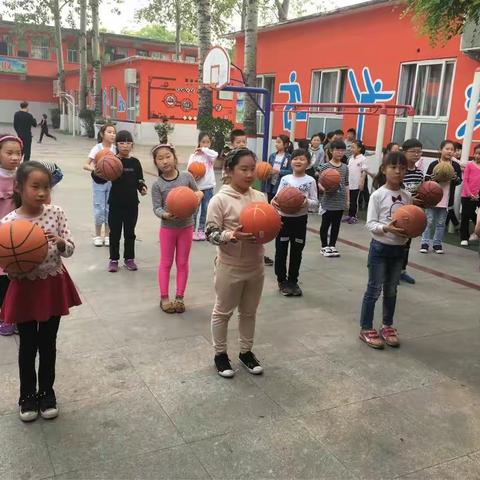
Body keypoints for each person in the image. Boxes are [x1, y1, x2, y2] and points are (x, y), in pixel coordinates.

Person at [0, 161, 81, 421]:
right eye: (35, 186)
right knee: (27, 345)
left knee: (48, 343)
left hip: (51, 284)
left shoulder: (55, 213)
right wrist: (13, 265)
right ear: (19, 187)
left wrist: (60, 243)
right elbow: (4, 263)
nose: (42, 193)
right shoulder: (9, 223)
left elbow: (70, 249)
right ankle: (27, 396)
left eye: (46, 187)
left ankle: (47, 392)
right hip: (24, 287)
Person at [205, 148, 266, 378]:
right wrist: (231, 235)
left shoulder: (259, 197)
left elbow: (265, 228)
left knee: (249, 312)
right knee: (222, 312)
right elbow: (210, 234)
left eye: (253, 169)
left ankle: (246, 352)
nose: (250, 174)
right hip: (229, 266)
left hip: (255, 266)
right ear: (230, 171)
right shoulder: (219, 200)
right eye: (244, 169)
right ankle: (220, 355)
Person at [358, 151, 411, 349]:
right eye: (393, 167)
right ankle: (366, 328)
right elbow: (370, 224)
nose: (398, 171)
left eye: (402, 168)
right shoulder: (378, 195)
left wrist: (412, 230)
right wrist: (386, 228)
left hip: (399, 250)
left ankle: (387, 326)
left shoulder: (407, 196)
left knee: (391, 289)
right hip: (380, 248)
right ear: (384, 170)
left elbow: (410, 222)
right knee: (374, 289)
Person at [151, 143, 203, 314]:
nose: (165, 161)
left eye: (168, 156)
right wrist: (164, 215)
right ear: (156, 163)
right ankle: (164, 298)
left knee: (182, 263)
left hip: (186, 227)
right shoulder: (157, 185)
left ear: (174, 157)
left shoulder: (187, 177)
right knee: (166, 263)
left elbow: (198, 193)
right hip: (167, 229)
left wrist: (198, 196)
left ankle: (179, 298)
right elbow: (156, 208)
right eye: (160, 158)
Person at [271, 148, 318, 297]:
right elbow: (277, 197)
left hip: (300, 220)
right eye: (295, 158)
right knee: (281, 251)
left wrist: (306, 202)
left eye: (302, 159)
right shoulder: (285, 179)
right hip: (283, 220)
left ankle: (293, 281)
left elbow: (316, 202)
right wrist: (273, 201)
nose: (298, 161)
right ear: (291, 162)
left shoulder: (310, 181)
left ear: (308, 164)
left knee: (297, 252)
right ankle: (282, 281)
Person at [107, 130, 147, 272]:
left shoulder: (135, 163)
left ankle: (129, 259)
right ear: (116, 144)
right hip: (115, 204)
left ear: (132, 145)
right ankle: (113, 259)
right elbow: (99, 177)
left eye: (128, 143)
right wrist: (97, 172)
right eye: (122, 143)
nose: (125, 146)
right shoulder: (111, 161)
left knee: (130, 233)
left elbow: (140, 180)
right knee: (115, 233)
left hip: (132, 205)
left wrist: (142, 188)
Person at [420, 140, 462, 254]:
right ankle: (424, 243)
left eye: (452, 149)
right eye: (447, 149)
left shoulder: (456, 166)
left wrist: (455, 178)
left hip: (446, 199)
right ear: (440, 150)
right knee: (429, 221)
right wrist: (433, 178)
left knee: (441, 223)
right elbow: (426, 180)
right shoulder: (434, 164)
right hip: (432, 198)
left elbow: (459, 182)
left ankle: (437, 244)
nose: (449, 151)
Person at [0, 134, 22, 336]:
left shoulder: (21, 177)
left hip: (19, 236)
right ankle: (5, 318)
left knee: (16, 278)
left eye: (18, 153)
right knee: (2, 280)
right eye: (9, 153)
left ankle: (15, 316)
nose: (15, 157)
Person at [83, 124, 116, 247]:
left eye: (114, 132)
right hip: (99, 182)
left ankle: (107, 236)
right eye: (109, 132)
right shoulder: (97, 148)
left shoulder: (115, 149)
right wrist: (95, 170)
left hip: (112, 183)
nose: (112, 134)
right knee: (99, 209)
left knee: (109, 209)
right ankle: (97, 235)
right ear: (102, 134)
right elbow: (85, 164)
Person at [318, 140, 349, 257]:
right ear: (331, 151)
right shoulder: (325, 166)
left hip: (340, 201)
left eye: (342, 150)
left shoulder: (345, 167)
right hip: (328, 200)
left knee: (336, 225)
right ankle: (324, 246)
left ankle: (332, 245)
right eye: (337, 150)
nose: (340, 153)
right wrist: (324, 189)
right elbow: (319, 182)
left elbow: (346, 184)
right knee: (326, 224)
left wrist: (347, 200)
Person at [400, 138, 425, 284]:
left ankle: (402, 271)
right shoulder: (399, 170)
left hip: (413, 213)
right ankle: (392, 273)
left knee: (407, 244)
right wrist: (411, 200)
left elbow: (421, 192)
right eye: (413, 151)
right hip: (399, 211)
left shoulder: (419, 173)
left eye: (419, 152)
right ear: (404, 152)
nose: (416, 154)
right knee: (397, 243)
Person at [187, 132, 218, 241]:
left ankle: (201, 230)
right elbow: (189, 169)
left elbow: (216, 154)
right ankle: (191, 230)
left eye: (207, 142)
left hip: (208, 187)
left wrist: (203, 149)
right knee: (194, 210)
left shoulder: (210, 156)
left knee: (206, 210)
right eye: (203, 142)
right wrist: (193, 176)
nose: (205, 144)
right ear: (199, 143)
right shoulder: (194, 156)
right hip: (196, 188)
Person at [460, 145, 480, 246]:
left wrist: (477, 195)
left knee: (476, 216)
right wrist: (470, 194)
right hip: (466, 196)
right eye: (476, 153)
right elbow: (465, 180)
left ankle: (477, 232)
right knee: (465, 216)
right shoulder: (469, 165)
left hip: (478, 196)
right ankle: (464, 237)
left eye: (479, 154)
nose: (477, 156)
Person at [263, 134, 292, 203]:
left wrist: (278, 171)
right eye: (276, 142)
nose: (276, 144)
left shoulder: (289, 157)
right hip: (270, 185)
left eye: (279, 142)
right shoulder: (272, 156)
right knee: (270, 203)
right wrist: (266, 172)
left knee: (278, 205)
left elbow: (290, 172)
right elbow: (268, 168)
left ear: (285, 145)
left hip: (281, 186)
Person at [345, 140, 367, 224]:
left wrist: (361, 182)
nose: (351, 149)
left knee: (355, 201)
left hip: (357, 183)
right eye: (351, 147)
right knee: (350, 200)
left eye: (353, 147)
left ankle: (354, 216)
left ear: (359, 148)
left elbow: (364, 171)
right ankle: (350, 215)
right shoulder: (350, 158)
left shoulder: (363, 159)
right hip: (349, 182)